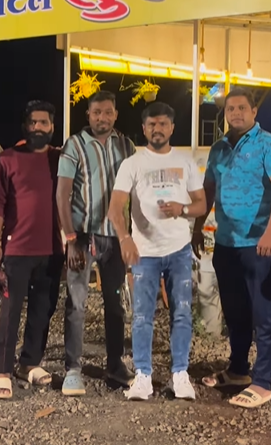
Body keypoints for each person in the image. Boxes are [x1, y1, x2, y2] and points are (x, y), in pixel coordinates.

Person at [193, 88, 271, 408]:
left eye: (242, 108)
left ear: (254, 112)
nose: (235, 113)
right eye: (230, 109)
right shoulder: (218, 148)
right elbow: (209, 190)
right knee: (235, 312)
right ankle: (237, 370)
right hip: (226, 243)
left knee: (263, 314)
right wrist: (197, 227)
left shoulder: (270, 145)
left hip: (259, 246)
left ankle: (262, 382)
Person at [108, 102, 206, 401]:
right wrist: (125, 239)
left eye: (163, 124)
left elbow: (201, 204)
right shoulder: (132, 164)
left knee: (182, 312)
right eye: (152, 124)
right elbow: (115, 208)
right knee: (142, 315)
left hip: (178, 250)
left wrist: (182, 209)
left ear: (172, 128)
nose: (157, 129)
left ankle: (180, 374)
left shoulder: (185, 162)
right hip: (144, 252)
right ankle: (143, 376)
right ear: (144, 128)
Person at [56, 91, 136, 395]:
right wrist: (70, 239)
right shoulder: (75, 145)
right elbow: (62, 195)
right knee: (77, 303)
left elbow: (135, 191)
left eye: (108, 112)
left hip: (115, 238)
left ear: (115, 114)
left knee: (116, 303)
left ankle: (115, 365)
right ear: (88, 115)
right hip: (83, 236)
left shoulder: (126, 146)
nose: (102, 118)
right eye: (96, 112)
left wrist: (132, 235)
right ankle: (73, 369)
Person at [0, 100, 64, 399]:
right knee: (10, 311)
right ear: (24, 126)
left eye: (43, 122)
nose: (38, 127)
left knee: (43, 309)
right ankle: (3, 370)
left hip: (52, 248)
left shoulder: (60, 159)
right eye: (32, 122)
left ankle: (29, 363)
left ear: (52, 126)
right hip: (16, 248)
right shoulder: (6, 159)